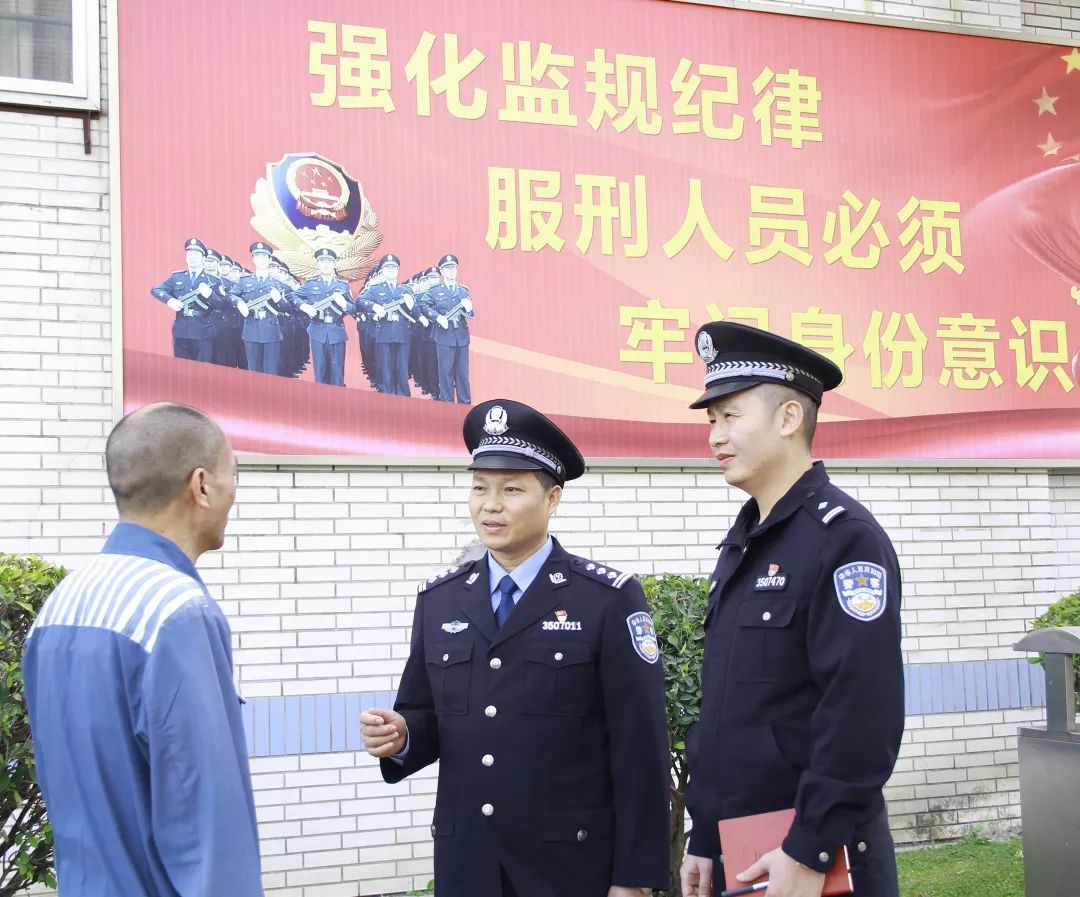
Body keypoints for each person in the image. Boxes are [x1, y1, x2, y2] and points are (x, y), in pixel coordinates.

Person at [361, 399, 670, 897]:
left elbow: (641, 749)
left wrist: (634, 880)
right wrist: (401, 737)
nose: (491, 504)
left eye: (511, 489)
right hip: (469, 867)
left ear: (552, 499)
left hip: (570, 868)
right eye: (480, 488)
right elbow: (423, 713)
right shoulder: (439, 600)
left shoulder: (605, 599)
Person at [679, 322, 904, 897]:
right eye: (711, 421)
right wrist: (704, 834)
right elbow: (727, 709)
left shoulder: (844, 540)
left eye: (731, 416)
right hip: (743, 846)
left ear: (788, 418)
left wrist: (810, 847)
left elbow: (861, 711)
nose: (715, 436)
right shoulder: (744, 544)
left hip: (811, 855)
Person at [22, 403, 263, 897]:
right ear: (200, 485)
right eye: (232, 475)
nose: (234, 492)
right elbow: (207, 822)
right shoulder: (177, 612)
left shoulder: (60, 605)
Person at [150, 237, 229, 363]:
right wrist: (170, 300)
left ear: (203, 259)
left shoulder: (213, 280)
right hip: (181, 331)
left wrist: (210, 295)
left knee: (201, 374)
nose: (192, 257)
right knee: (182, 373)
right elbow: (156, 289)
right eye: (189, 254)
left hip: (202, 331)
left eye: (196, 254)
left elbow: (224, 305)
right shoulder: (177, 277)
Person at [293, 247, 355, 386]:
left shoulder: (343, 285)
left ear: (334, 264)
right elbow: (293, 296)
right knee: (320, 372)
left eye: (328, 261)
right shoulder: (310, 284)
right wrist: (304, 306)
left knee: (337, 372)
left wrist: (344, 304)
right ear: (318, 264)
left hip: (336, 331)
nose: (325, 265)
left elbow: (355, 310)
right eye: (322, 261)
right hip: (317, 331)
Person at [418, 253, 473, 404]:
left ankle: (465, 405)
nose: (451, 271)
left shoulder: (464, 290)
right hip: (443, 337)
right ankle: (447, 405)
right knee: (445, 373)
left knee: (462, 375)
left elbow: (470, 313)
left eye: (453, 268)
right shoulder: (435, 290)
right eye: (447, 269)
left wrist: (469, 309)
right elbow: (423, 305)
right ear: (442, 272)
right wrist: (437, 317)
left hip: (461, 337)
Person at [357, 253, 415, 397]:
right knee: (386, 371)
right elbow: (360, 301)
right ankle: (387, 400)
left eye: (393, 267)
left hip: (402, 335)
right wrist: (374, 306)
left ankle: (404, 402)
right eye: (387, 267)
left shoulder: (406, 290)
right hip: (383, 335)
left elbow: (416, 312)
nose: (390, 270)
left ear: (398, 270)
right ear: (382, 270)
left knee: (402, 372)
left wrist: (411, 305)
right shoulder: (375, 289)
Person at [229, 241, 288, 375]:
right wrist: (239, 303)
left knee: (271, 372)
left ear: (269, 260)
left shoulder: (278, 284)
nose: (261, 260)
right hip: (251, 329)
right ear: (253, 259)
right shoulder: (244, 281)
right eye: (258, 256)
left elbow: (287, 308)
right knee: (253, 372)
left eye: (264, 257)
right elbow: (231, 294)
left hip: (271, 330)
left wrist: (279, 299)